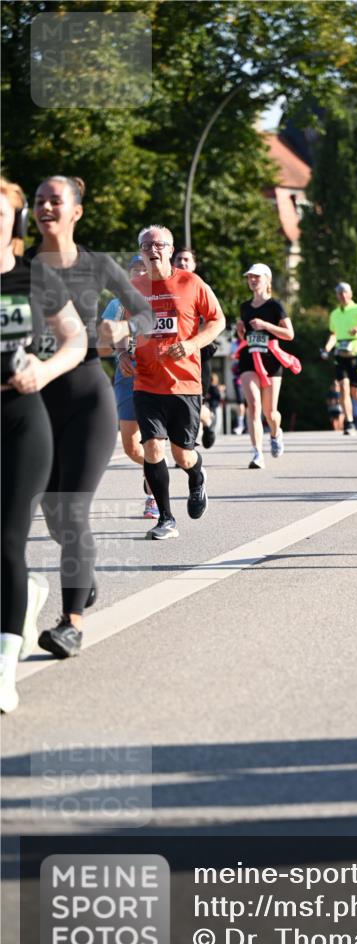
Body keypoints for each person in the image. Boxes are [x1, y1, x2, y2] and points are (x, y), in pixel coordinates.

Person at [28, 175, 153, 658]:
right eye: (39, 201)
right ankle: (85, 580)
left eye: (55, 201)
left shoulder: (97, 265)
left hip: (86, 398)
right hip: (34, 404)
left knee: (72, 511)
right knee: (53, 514)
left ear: (76, 210)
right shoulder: (22, 268)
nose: (45, 208)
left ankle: (70, 623)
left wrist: (120, 326)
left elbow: (145, 315)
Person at [1, 178, 88, 709]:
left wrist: (45, 368)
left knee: (6, 540)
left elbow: (76, 339)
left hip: (19, 419)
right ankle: (26, 596)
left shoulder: (32, 277)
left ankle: (3, 666)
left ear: (11, 222)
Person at [108, 225, 225, 539]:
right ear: (141, 251)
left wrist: (191, 344)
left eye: (159, 244)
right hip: (146, 382)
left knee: (182, 456)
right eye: (146, 244)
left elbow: (218, 320)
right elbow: (118, 327)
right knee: (152, 449)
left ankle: (197, 478)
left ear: (171, 250)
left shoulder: (191, 282)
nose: (152, 249)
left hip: (185, 383)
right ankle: (165, 519)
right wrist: (120, 353)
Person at [98, 254, 159, 518]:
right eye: (133, 271)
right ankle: (156, 466)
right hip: (127, 374)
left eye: (143, 270)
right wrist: (117, 348)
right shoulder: (116, 303)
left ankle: (154, 496)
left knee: (154, 439)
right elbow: (99, 345)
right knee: (131, 447)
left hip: (157, 375)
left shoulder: (161, 300)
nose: (138, 276)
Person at [236, 262, 299, 469]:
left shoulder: (275, 305)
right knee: (253, 406)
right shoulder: (244, 307)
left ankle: (275, 433)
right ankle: (256, 454)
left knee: (270, 412)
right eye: (250, 277)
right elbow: (245, 335)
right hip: (249, 357)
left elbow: (289, 334)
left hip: (271, 359)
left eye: (257, 277)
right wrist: (240, 332)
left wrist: (266, 325)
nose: (252, 280)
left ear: (267, 280)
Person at [172, 246, 217, 449]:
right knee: (173, 398)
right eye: (179, 259)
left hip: (198, 352)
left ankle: (206, 424)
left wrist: (196, 340)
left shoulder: (201, 287)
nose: (182, 263)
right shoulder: (164, 286)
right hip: (172, 352)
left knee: (196, 400)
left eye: (186, 260)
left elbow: (214, 320)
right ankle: (182, 444)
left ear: (194, 264)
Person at [321, 282, 357, 436]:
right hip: (340, 354)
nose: (342, 295)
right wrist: (327, 348)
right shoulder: (334, 314)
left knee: (356, 392)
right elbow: (333, 334)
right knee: (343, 389)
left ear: (351, 294)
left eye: (345, 292)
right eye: (339, 293)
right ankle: (349, 423)